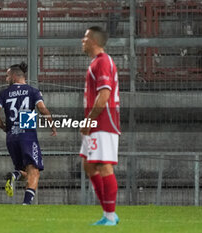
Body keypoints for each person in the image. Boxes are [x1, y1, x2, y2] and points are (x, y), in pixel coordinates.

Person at [0, 62, 56, 205]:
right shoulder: (32, 91)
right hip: (27, 132)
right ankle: (26, 204)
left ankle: (15, 174)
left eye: (7, 76)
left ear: (14, 76)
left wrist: (3, 127)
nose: (6, 79)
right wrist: (52, 124)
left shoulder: (4, 94)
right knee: (35, 172)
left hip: (12, 135)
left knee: (25, 172)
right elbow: (42, 109)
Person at [79, 26, 121, 226]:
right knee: (89, 164)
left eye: (85, 38)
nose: (83, 41)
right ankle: (107, 212)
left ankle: (110, 216)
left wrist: (89, 120)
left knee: (104, 166)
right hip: (96, 123)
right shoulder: (96, 63)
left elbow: (104, 95)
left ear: (94, 41)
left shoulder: (103, 62)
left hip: (104, 122)